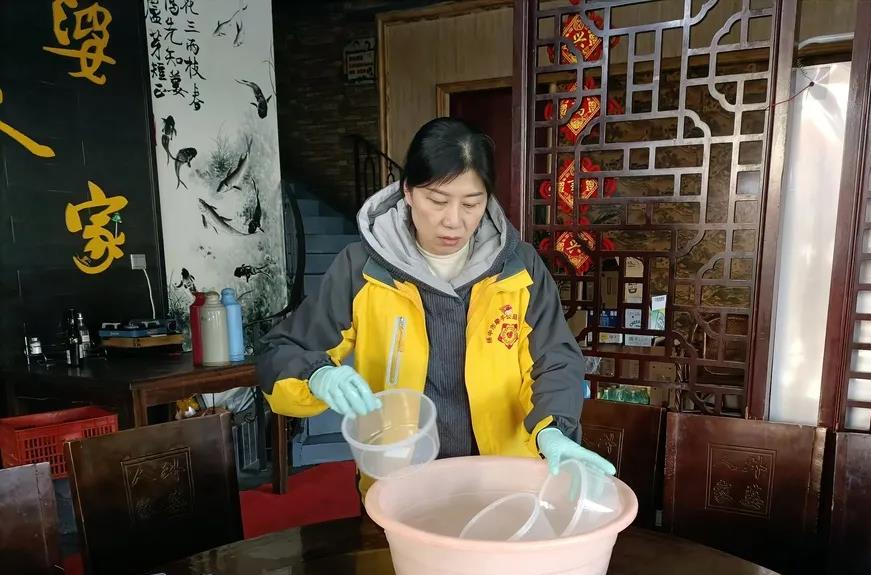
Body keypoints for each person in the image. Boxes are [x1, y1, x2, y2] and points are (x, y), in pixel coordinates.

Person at [258, 117, 614, 493]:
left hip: (504, 482)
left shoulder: (519, 267)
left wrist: (554, 428)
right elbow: (280, 350)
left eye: (471, 203)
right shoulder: (361, 268)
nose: (453, 221)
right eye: (437, 200)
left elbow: (554, 359)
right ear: (408, 191)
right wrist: (317, 375)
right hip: (400, 484)